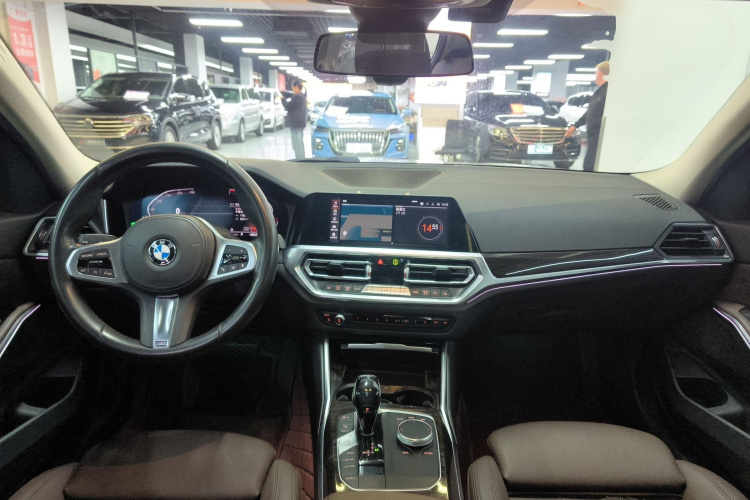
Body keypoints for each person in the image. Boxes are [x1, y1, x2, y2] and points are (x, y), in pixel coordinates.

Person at [566, 61, 609, 172]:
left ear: (602, 73)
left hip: (600, 136)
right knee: (588, 163)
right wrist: (575, 125)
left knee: (591, 165)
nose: (595, 75)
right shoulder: (599, 92)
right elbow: (589, 112)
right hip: (593, 135)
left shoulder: (608, 92)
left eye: (596, 72)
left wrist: (596, 126)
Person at [281, 80, 307, 160]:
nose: (292, 89)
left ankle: (300, 160)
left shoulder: (297, 97)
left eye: (293, 87)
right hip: (300, 123)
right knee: (299, 143)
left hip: (296, 124)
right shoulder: (302, 96)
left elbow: (288, 107)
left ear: (296, 87)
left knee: (296, 144)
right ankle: (300, 159)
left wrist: (283, 100)